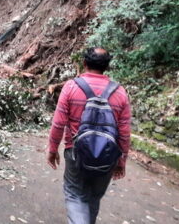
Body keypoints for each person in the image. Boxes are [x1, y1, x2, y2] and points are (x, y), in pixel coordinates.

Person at [46, 47, 131, 224]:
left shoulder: (71, 87)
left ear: (84, 63)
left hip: (76, 152)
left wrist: (52, 150)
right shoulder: (120, 92)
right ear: (107, 66)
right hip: (107, 157)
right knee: (93, 197)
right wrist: (121, 161)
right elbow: (124, 132)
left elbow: (58, 123)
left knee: (75, 195)